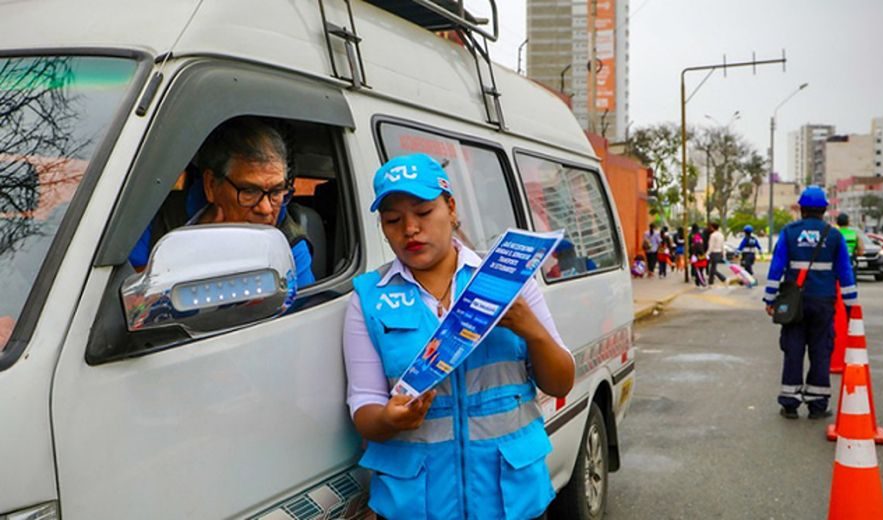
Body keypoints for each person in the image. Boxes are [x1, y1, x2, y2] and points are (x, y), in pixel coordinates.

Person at [342, 153, 575, 519]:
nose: (410, 229)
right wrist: (389, 419)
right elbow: (364, 402)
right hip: (415, 504)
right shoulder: (369, 298)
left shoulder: (506, 281)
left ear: (450, 208)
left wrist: (531, 329)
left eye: (423, 212)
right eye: (392, 219)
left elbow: (561, 381)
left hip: (510, 499)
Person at [128, 118, 315, 289]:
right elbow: (128, 294)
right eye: (249, 191)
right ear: (211, 185)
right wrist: (195, 253)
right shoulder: (160, 215)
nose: (266, 209)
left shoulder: (290, 244)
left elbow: (298, 318)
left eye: (276, 191)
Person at [763, 186, 857, 420]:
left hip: (794, 303)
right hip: (824, 302)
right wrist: (850, 304)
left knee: (793, 349)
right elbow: (845, 272)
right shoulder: (834, 235)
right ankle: (817, 405)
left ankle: (790, 403)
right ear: (824, 209)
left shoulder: (789, 232)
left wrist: (769, 298)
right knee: (821, 350)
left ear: (801, 208)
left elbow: (776, 268)